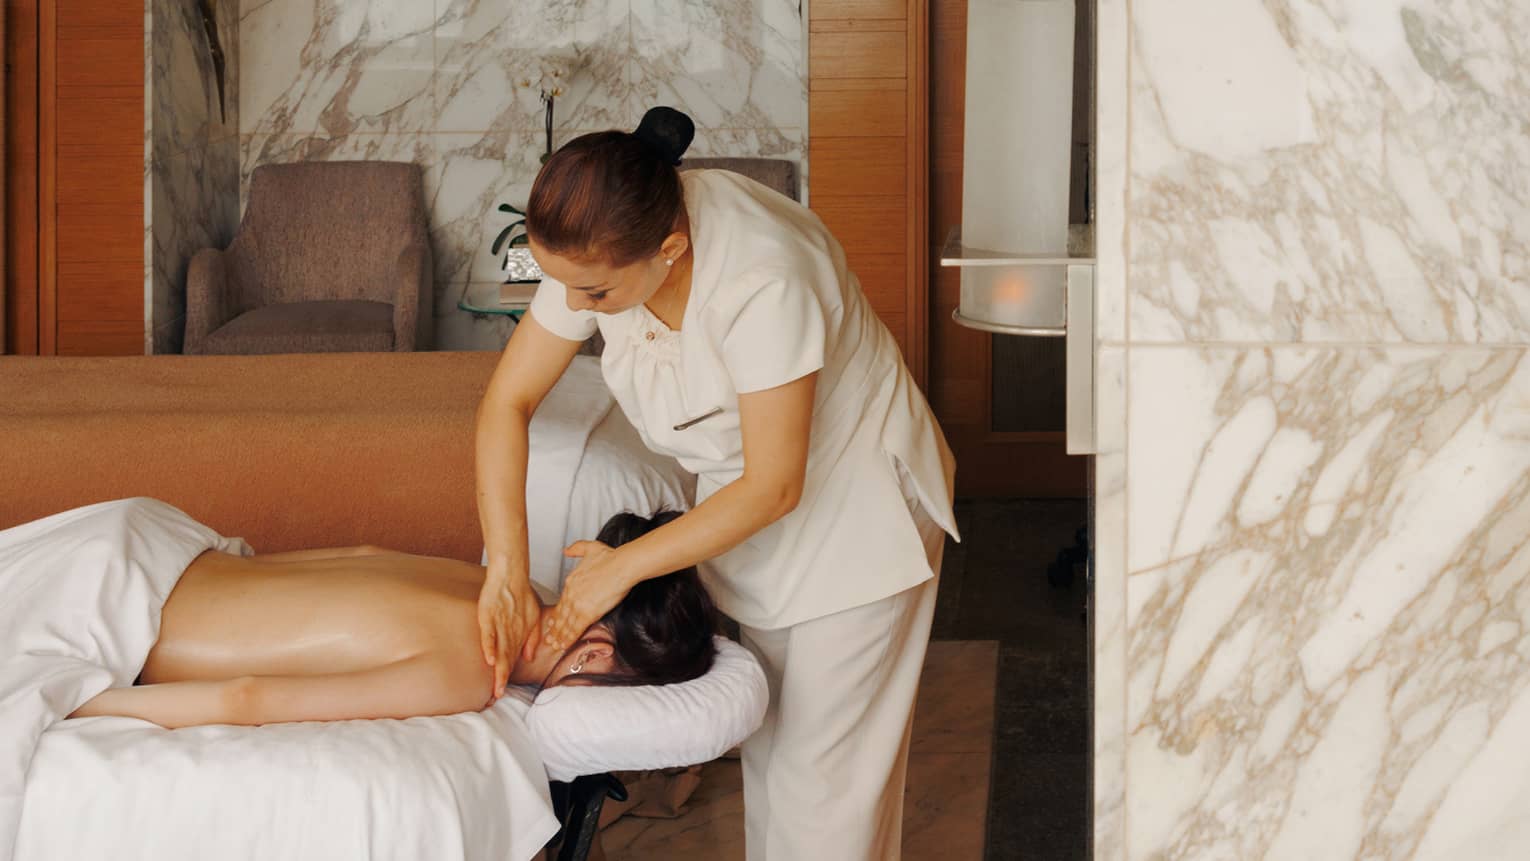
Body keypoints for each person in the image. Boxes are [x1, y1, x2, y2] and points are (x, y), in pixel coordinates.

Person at [474, 106, 958, 860]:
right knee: (778, 768)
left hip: (857, 520)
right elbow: (507, 401)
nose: (573, 308)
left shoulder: (763, 279)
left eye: (594, 295)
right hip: (757, 520)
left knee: (823, 801)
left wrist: (622, 567)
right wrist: (505, 565)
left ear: (669, 250)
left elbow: (773, 486)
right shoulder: (600, 238)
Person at [71, 512, 718, 730]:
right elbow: (250, 697)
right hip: (115, 615)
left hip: (150, 541)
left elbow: (360, 555)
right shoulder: (471, 669)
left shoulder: (500, 583)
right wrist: (80, 707)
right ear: (598, 656)